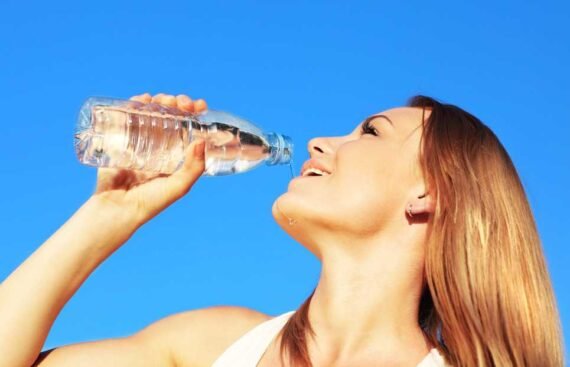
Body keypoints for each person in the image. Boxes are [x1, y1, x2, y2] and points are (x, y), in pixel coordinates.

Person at [0, 93, 564, 367]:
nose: (321, 141)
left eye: (371, 132)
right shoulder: (217, 345)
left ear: (429, 192)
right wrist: (108, 216)